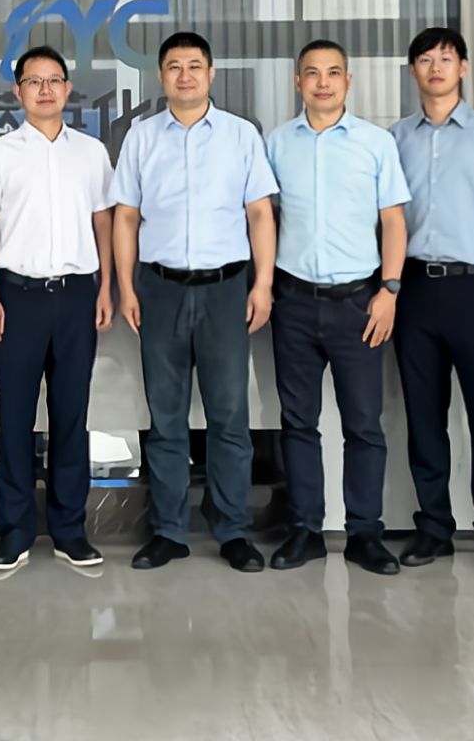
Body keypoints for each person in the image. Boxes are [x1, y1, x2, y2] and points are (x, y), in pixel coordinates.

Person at [113, 31, 279, 574]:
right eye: (174, 67)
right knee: (166, 418)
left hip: (226, 288)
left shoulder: (240, 135)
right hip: (159, 288)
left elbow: (259, 213)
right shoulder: (142, 137)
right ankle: (167, 530)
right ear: (161, 76)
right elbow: (126, 217)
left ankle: (232, 529)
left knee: (229, 415)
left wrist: (262, 284)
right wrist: (126, 286)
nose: (184, 75)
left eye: (194, 66)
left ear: (211, 74)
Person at [0, 46, 115, 572]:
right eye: (34, 81)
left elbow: (103, 224)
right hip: (17, 298)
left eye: (54, 80)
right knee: (14, 418)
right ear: (18, 91)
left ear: (68, 90)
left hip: (76, 296)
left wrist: (106, 287)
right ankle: (13, 531)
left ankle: (71, 530)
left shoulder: (92, 153)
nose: (45, 90)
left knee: (72, 416)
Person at [263, 40, 409, 576]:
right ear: (297, 83)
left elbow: (393, 221)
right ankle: (304, 530)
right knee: (298, 423)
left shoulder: (375, 143)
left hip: (359, 304)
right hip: (294, 302)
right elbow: (263, 218)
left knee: (363, 424)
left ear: (348, 81)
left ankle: (365, 534)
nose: (322, 83)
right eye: (312, 73)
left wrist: (389, 290)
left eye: (332, 73)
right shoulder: (276, 143)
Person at [387, 27, 474, 577]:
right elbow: (387, 217)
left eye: (446, 58)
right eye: (425, 60)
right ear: (413, 71)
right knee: (424, 417)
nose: (436, 67)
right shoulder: (396, 138)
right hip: (415, 287)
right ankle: (434, 528)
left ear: (463, 67)